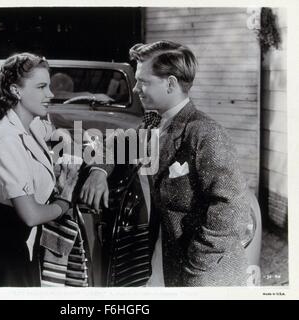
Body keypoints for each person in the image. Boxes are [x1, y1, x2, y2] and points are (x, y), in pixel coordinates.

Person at [80, 41, 253, 286]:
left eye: (144, 81)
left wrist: (196, 269)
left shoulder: (205, 132)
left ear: (170, 83)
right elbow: (115, 144)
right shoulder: (154, 123)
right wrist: (98, 171)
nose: (136, 87)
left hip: (206, 276)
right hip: (168, 266)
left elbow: (232, 209)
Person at [0, 53, 80, 287]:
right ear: (16, 91)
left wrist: (66, 143)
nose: (51, 94)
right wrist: (65, 200)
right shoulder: (6, 137)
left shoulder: (31, 124)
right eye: (42, 87)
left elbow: (57, 133)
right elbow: (31, 215)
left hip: (20, 246)